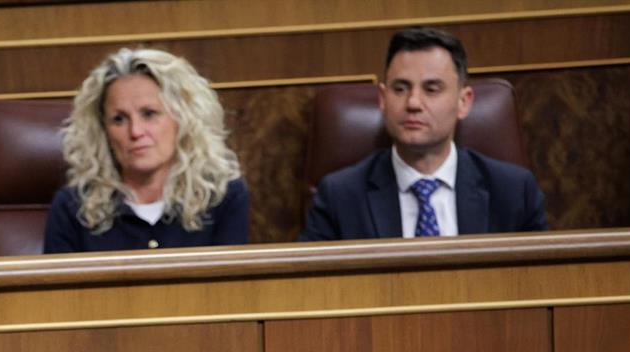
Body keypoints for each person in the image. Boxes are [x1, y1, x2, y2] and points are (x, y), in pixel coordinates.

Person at [300, 27, 547, 242]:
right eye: (400, 88)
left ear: (464, 102)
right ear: (383, 100)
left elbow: (541, 284)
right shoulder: (340, 196)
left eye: (431, 89)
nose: (413, 103)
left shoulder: (513, 192)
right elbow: (311, 288)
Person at [44, 47, 249, 253]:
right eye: (119, 119)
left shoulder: (223, 197)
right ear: (103, 131)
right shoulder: (73, 207)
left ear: (183, 119)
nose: (135, 131)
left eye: (149, 114)